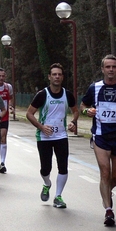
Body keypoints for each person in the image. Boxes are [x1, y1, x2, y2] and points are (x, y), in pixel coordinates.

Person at [80, 54, 116, 226]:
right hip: (101, 136)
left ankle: (106, 191)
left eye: (114, 67)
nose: (111, 69)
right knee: (105, 172)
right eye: (108, 67)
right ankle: (108, 211)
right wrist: (86, 111)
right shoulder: (95, 87)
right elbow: (83, 105)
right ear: (103, 69)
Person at [26, 63, 79, 209]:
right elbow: (29, 113)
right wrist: (41, 127)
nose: (57, 77)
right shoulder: (42, 94)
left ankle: (58, 196)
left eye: (59, 74)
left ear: (62, 77)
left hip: (61, 136)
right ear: (49, 77)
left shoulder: (67, 94)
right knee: (45, 168)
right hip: (44, 137)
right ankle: (47, 183)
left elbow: (75, 110)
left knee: (63, 167)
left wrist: (73, 122)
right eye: (54, 74)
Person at [0, 68, 14, 174]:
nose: (1, 78)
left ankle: (2, 163)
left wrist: (10, 106)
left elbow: (10, 98)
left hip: (4, 116)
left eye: (3, 76)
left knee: (3, 137)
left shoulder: (8, 87)